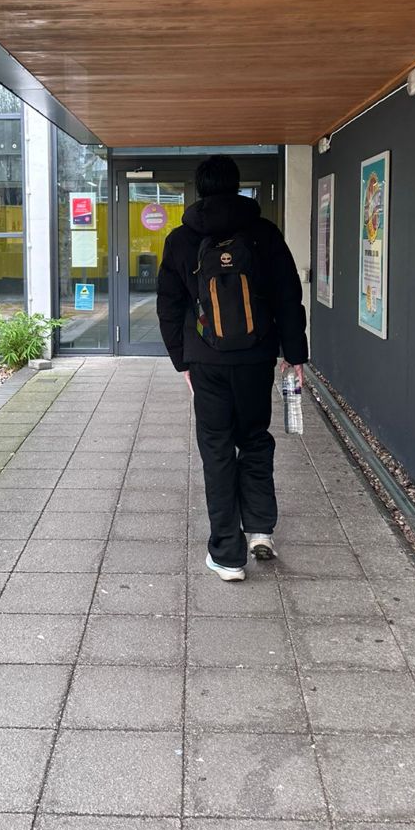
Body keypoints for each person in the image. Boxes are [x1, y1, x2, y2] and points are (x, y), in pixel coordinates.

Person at [156, 155, 308, 581]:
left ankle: (227, 554)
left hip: (207, 362)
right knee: (255, 438)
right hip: (256, 359)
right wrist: (294, 355)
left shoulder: (181, 240)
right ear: (238, 185)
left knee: (217, 448)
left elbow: (169, 305)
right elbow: (287, 297)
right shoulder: (264, 234)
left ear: (200, 188)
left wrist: (181, 360)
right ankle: (259, 528)